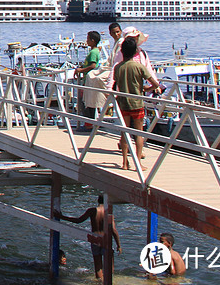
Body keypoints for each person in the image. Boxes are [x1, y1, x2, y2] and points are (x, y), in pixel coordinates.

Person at [113, 36, 161, 170]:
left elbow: (116, 82)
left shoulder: (118, 67)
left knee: (124, 133)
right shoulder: (139, 67)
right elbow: (155, 83)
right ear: (135, 52)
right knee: (139, 133)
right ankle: (138, 163)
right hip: (137, 103)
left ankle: (124, 162)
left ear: (122, 51)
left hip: (123, 102)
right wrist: (147, 88)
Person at [55, 195, 121, 279]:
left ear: (98, 200)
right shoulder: (108, 212)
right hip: (106, 241)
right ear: (107, 202)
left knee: (98, 267)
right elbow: (113, 230)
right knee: (109, 267)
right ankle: (108, 282)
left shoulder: (92, 211)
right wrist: (119, 245)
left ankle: (99, 282)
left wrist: (61, 217)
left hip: (95, 240)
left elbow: (78, 220)